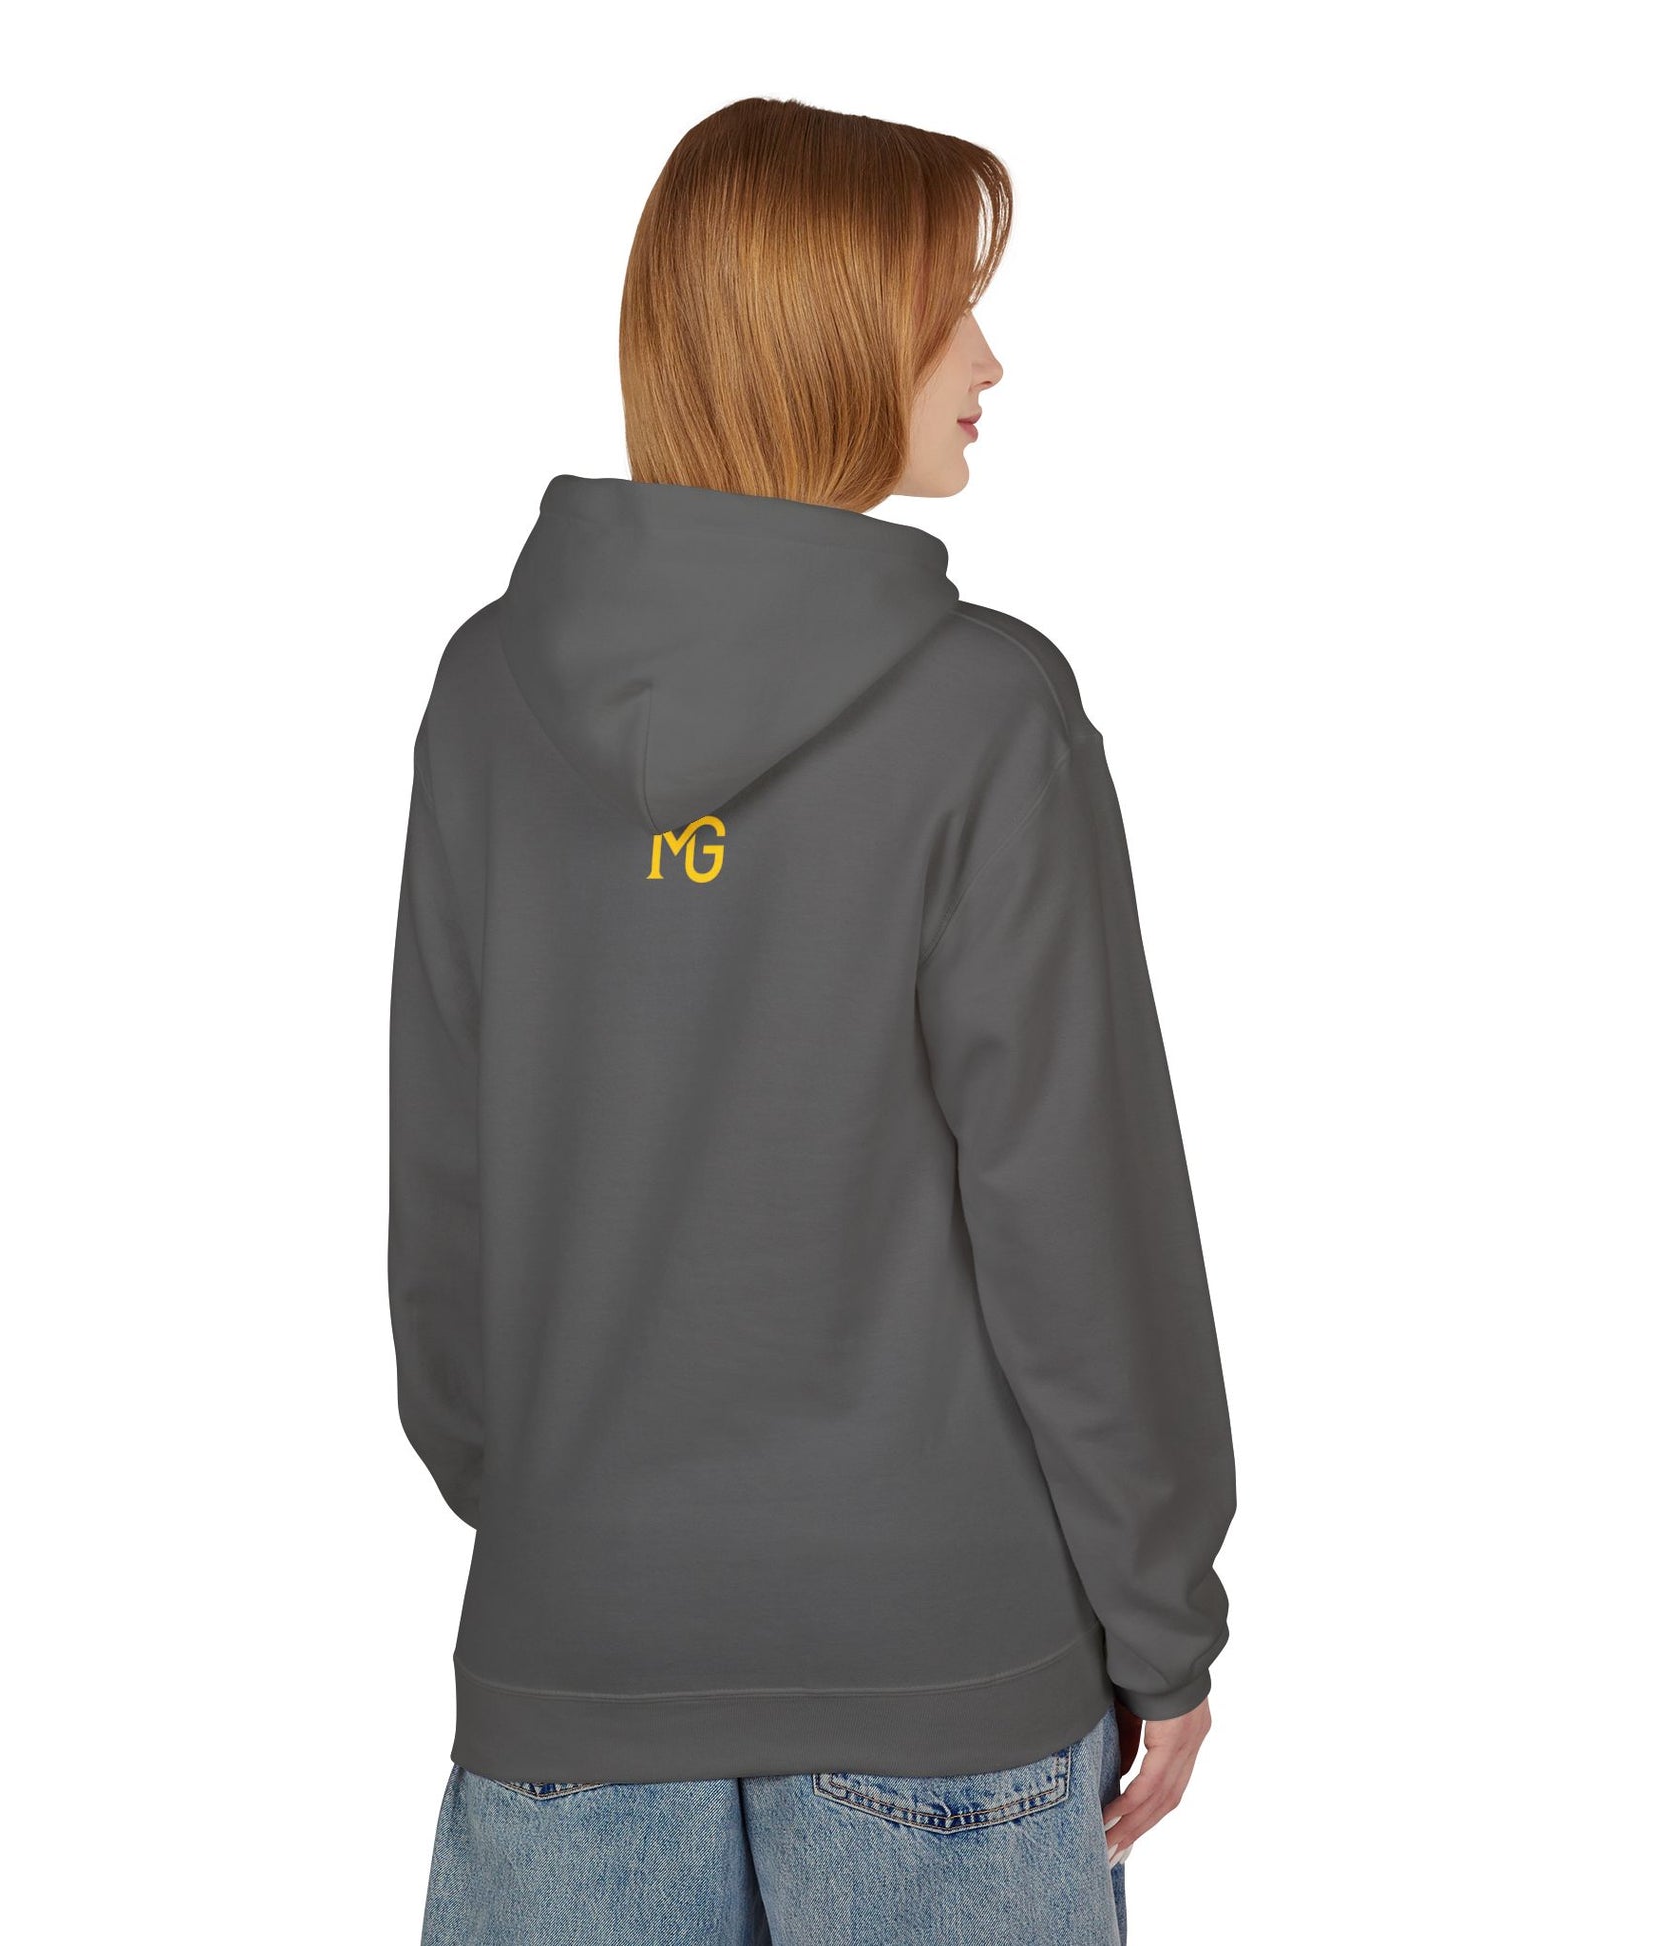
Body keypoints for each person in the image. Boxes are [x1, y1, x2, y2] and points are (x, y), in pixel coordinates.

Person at [390, 95, 1236, 1946]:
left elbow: (445, 1208)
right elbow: (1076, 1216)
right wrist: (1161, 1615)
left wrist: (581, 1527)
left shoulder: (487, 691)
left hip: (572, 1661)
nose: (988, 359)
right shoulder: (983, 712)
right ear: (830, 335)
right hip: (939, 1674)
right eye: (948, 310)